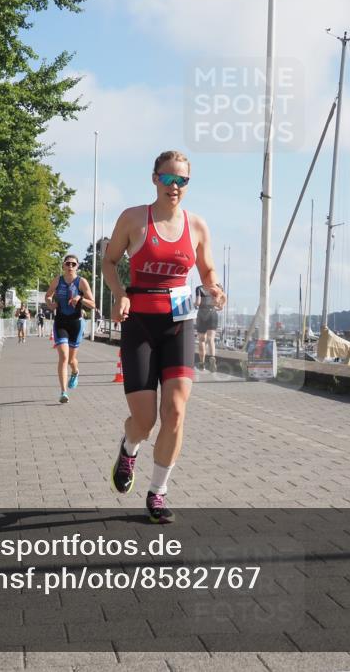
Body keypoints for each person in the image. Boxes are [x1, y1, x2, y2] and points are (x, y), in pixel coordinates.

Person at [102, 150, 225, 524]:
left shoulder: (197, 226)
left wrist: (215, 289)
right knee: (144, 421)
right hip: (139, 324)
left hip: (179, 324)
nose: (174, 187)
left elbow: (208, 271)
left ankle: (158, 492)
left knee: (175, 411)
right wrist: (120, 294)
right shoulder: (133, 219)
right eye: (168, 179)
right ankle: (129, 447)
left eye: (182, 180)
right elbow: (109, 261)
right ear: (155, 179)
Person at [45, 254, 95, 404]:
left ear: (77, 266)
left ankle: (75, 371)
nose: (70, 266)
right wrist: (50, 304)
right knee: (63, 357)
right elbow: (48, 295)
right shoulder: (58, 280)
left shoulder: (81, 282)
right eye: (68, 263)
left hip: (76, 324)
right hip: (60, 322)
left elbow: (93, 304)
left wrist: (80, 298)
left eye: (73, 264)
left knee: (72, 360)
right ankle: (63, 392)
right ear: (63, 265)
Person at [194, 284, 221, 372]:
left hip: (201, 314)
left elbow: (198, 302)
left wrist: (193, 304)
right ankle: (212, 357)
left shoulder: (199, 288)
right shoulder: (217, 288)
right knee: (211, 339)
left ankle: (202, 364)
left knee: (202, 340)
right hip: (212, 314)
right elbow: (220, 305)